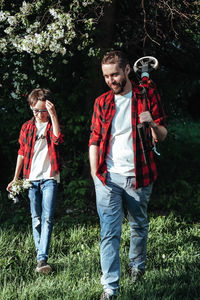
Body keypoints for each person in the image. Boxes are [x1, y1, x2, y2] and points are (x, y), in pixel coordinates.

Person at [89, 51, 167, 299]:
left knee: (138, 225)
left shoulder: (146, 96)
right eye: (106, 76)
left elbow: (162, 136)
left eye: (114, 74)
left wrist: (152, 123)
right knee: (109, 232)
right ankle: (110, 288)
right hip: (108, 178)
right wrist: (94, 173)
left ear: (127, 71)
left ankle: (137, 266)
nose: (111, 80)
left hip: (139, 175)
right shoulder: (102, 102)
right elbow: (95, 139)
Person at [7, 88, 63, 274]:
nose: (39, 114)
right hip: (31, 179)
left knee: (47, 218)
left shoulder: (50, 125)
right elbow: (22, 153)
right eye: (35, 111)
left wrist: (53, 116)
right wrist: (16, 178)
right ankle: (41, 258)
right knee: (36, 218)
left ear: (49, 108)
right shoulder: (27, 127)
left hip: (49, 178)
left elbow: (58, 138)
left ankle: (41, 259)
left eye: (42, 110)